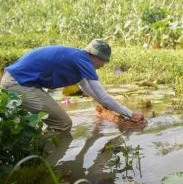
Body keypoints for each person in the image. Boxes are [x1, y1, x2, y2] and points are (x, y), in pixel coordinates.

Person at [0, 39, 144, 133]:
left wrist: (103, 105)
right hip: (18, 84)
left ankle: (42, 151)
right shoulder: (84, 61)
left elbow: (88, 89)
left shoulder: (78, 58)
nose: (103, 65)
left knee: (56, 122)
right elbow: (103, 96)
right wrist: (131, 114)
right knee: (63, 124)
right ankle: (43, 164)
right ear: (97, 57)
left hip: (19, 81)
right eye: (104, 61)